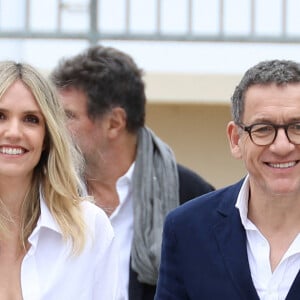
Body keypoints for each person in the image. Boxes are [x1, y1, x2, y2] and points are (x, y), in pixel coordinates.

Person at [51, 45, 215, 300]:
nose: (55, 127)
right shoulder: (46, 193)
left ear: (114, 123)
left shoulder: (193, 199)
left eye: (68, 116)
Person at [154, 59, 300, 300]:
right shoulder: (187, 229)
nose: (282, 146)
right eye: (263, 129)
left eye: (297, 126)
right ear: (235, 140)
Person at [0, 61, 119, 299]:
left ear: (47, 137)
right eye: (0, 116)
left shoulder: (90, 228)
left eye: (31, 119)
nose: (13, 132)